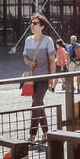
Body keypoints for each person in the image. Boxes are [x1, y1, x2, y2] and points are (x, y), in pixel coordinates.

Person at [22, 13, 56, 143]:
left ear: (42, 27)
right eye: (31, 23)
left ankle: (32, 135)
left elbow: (52, 61)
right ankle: (46, 133)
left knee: (35, 104)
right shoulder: (28, 40)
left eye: (35, 23)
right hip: (31, 79)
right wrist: (29, 62)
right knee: (39, 105)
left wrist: (51, 79)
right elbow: (24, 56)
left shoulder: (48, 40)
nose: (32, 25)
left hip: (43, 78)